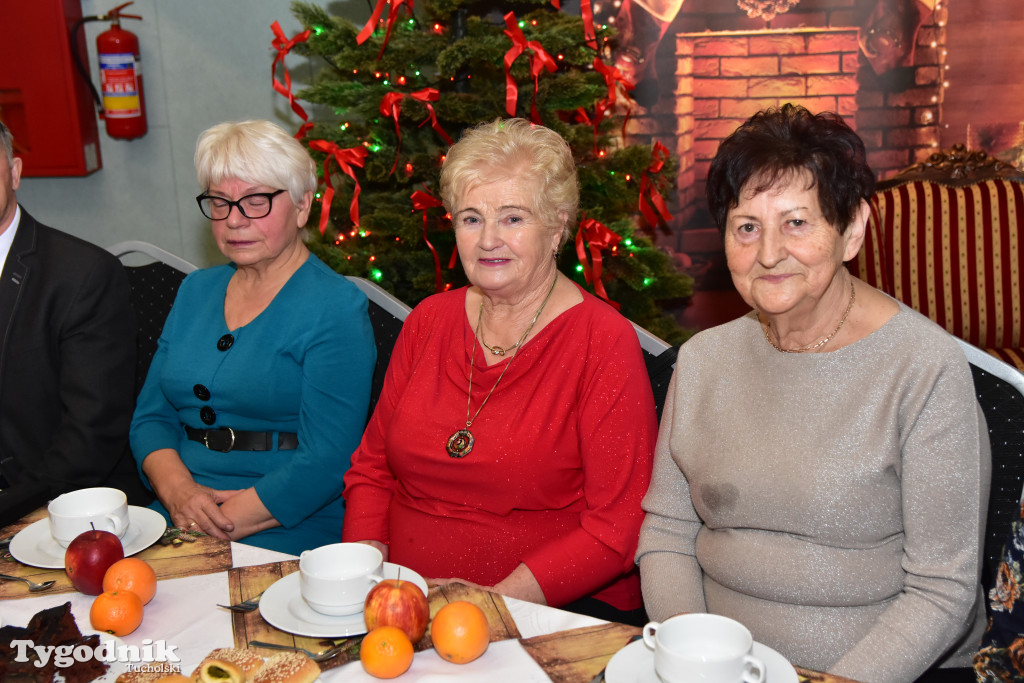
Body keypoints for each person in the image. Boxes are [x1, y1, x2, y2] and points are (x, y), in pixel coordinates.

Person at [636, 104, 990, 682]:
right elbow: (668, 533)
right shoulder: (702, 359)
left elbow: (942, 592)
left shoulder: (924, 369)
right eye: (747, 226)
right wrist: (695, 659)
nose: (768, 253)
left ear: (852, 230)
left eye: (797, 223)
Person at [342, 118, 657, 624]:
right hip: (400, 596)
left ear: (556, 227)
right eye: (471, 219)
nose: (488, 240)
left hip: (544, 606)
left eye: (513, 218)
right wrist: (364, 573)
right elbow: (372, 468)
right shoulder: (428, 321)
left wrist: (495, 602)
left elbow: (619, 524)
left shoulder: (603, 341)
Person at [130, 119, 376, 555]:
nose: (234, 220)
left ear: (302, 205)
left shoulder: (335, 307)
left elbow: (328, 459)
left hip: (288, 519)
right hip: (178, 511)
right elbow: (151, 419)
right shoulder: (195, 290)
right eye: (219, 202)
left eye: (256, 201)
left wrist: (212, 525)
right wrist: (180, 494)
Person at [0, 119, 146, 526]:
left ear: (14, 172)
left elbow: (89, 437)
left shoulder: (83, 274)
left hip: (57, 507)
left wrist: (10, 507)